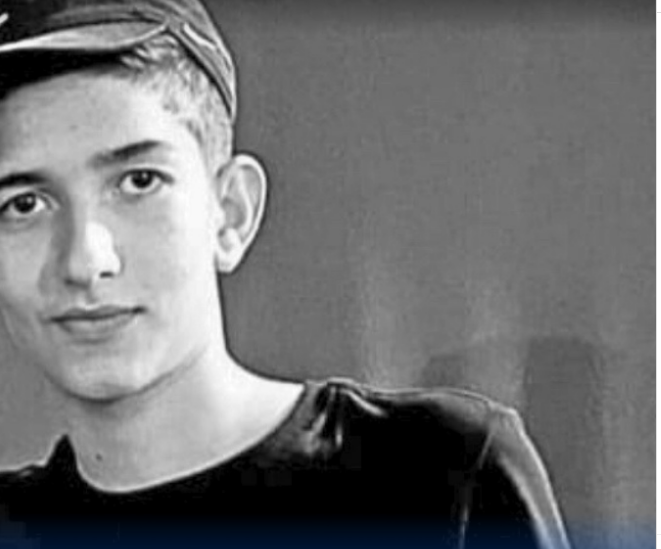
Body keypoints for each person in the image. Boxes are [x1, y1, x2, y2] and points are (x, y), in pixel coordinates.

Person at [0, 1, 571, 548]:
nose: (85, 260)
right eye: (24, 204)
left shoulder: (438, 478)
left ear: (231, 212)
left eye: (139, 182)